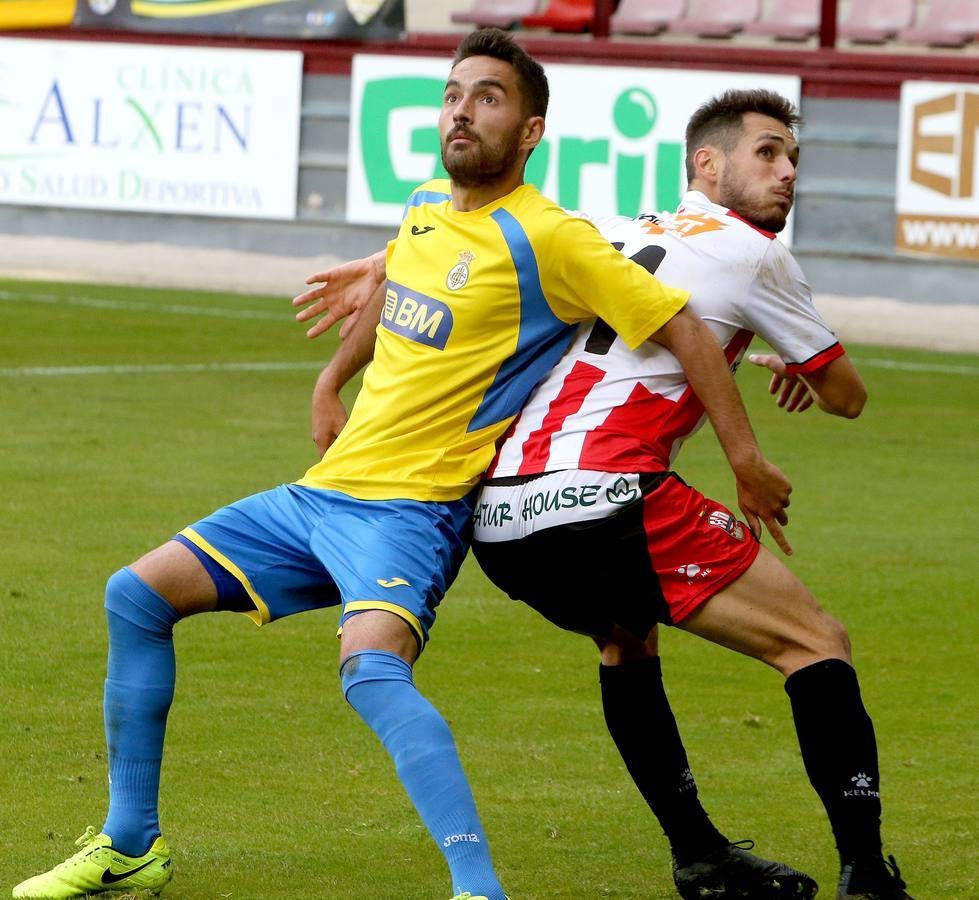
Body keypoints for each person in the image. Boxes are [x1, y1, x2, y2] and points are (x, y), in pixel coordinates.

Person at [12, 30, 793, 900]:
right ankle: (129, 844)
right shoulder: (427, 201)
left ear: (529, 131)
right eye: (454, 94)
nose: (462, 110)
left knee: (373, 672)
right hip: (323, 496)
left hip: (410, 512)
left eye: (487, 97)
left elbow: (680, 323)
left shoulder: (553, 239)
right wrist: (330, 379)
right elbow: (401, 280)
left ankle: (476, 887)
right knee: (136, 594)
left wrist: (744, 455)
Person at [295, 89, 914, 900]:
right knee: (815, 643)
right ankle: (867, 876)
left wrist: (383, 262)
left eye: (791, 158)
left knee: (626, 642)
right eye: (765, 153)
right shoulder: (755, 254)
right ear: (706, 164)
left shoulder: (614, 228)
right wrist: (797, 372)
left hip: (503, 518)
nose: (785, 172)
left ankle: (701, 858)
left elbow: (475, 241)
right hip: (609, 495)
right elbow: (847, 395)